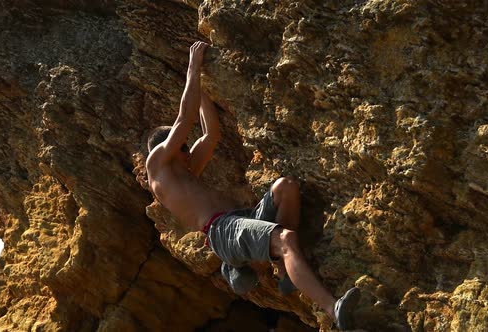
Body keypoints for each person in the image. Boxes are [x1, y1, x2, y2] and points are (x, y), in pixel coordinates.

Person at [145, 41, 360, 330]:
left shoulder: (185, 173)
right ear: (165, 149)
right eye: (181, 145)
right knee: (285, 240)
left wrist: (204, 91)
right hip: (223, 231)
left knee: (287, 187)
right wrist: (193, 68)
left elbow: (211, 134)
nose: (187, 149)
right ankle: (333, 310)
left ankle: (283, 271)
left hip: (241, 220)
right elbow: (184, 120)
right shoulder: (155, 165)